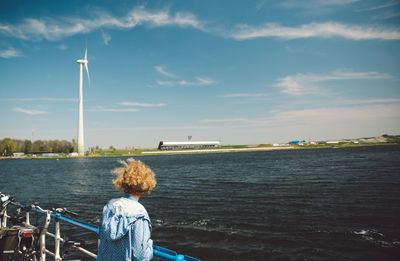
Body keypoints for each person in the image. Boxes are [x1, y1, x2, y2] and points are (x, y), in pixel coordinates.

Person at [97, 158, 157, 261]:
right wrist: (150, 245)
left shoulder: (110, 206)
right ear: (146, 184)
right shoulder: (139, 213)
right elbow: (141, 255)